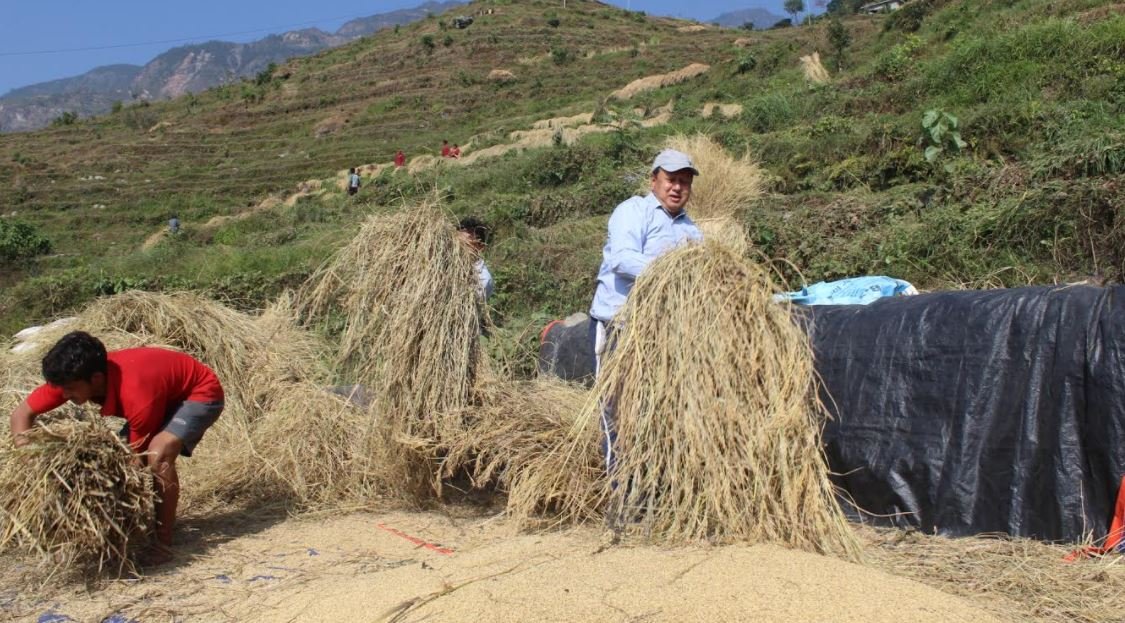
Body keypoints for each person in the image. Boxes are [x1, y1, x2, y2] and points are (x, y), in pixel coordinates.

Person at [8, 331, 225, 565]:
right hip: (158, 395)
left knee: (158, 454)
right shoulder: (69, 378)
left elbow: (134, 463)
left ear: (97, 379)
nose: (65, 395)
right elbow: (22, 414)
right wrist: (30, 461)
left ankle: (162, 543)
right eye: (61, 388)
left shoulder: (136, 392)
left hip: (199, 393)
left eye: (70, 389)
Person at [588, 149, 702, 473]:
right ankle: (619, 492)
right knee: (614, 408)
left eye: (684, 182)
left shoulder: (691, 231)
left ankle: (647, 483)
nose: (677, 187)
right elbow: (622, 260)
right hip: (617, 325)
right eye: (670, 180)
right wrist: (672, 269)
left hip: (659, 333)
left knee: (650, 409)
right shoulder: (632, 211)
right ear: (654, 180)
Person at [458, 216, 494, 300]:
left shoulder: (483, 278)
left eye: (466, 245)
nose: (459, 249)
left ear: (480, 247)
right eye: (457, 244)